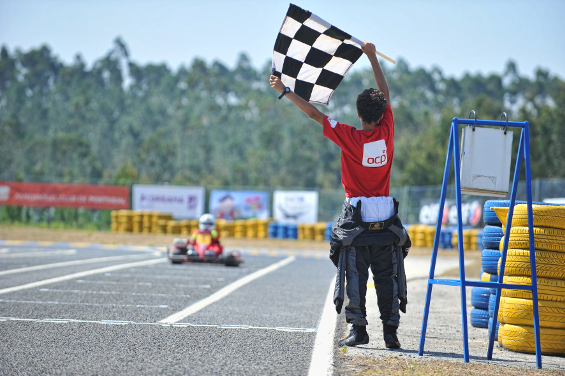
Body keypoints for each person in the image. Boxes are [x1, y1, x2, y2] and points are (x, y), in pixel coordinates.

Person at [269, 41, 409, 349]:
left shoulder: (349, 136)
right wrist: (372, 57)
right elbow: (384, 92)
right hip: (386, 217)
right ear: (383, 112)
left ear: (359, 114)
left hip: (356, 218)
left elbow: (313, 114)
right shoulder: (388, 129)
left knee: (354, 274)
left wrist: (284, 90)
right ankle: (390, 332)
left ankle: (358, 329)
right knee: (387, 276)